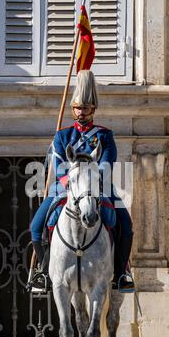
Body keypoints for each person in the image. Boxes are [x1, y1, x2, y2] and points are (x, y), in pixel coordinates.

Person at [30, 70, 134, 291]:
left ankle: (121, 274)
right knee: (36, 227)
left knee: (126, 226)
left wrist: (92, 180)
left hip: (99, 188)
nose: (81, 113)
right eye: (77, 108)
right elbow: (58, 165)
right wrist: (70, 182)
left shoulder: (104, 135)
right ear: (72, 109)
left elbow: (107, 162)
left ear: (93, 109)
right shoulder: (62, 136)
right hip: (65, 190)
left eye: (85, 108)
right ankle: (43, 272)